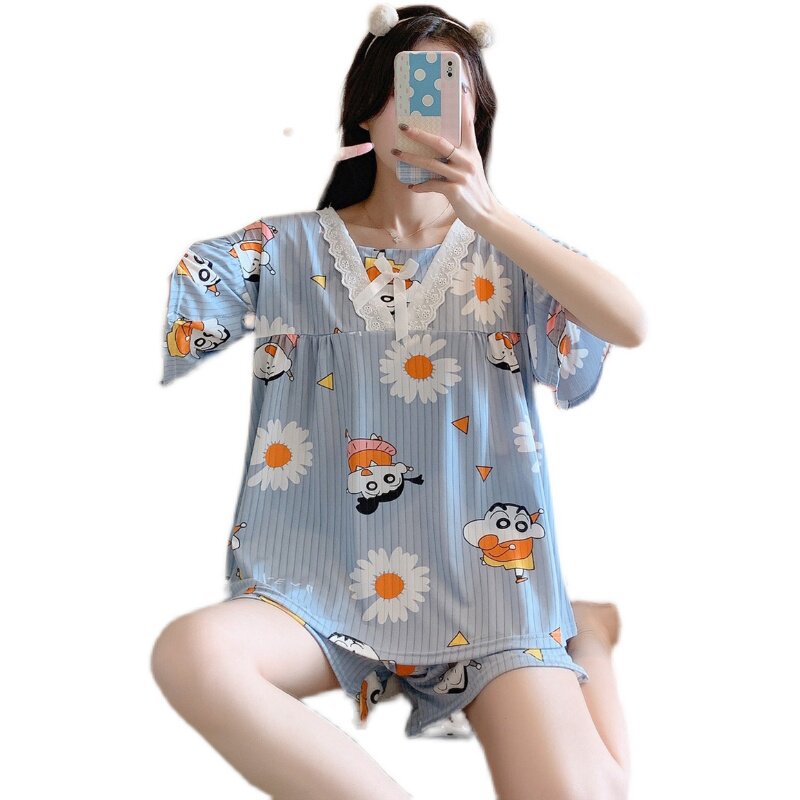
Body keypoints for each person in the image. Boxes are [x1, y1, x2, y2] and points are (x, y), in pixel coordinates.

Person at [151, 4, 645, 799]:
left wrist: (489, 215)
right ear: (367, 109)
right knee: (189, 653)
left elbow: (630, 323)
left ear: (479, 117)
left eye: (455, 92)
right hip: (317, 594)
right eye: (414, 87)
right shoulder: (283, 251)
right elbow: (166, 304)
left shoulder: (512, 255)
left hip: (493, 596)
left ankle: (585, 639)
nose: (433, 112)